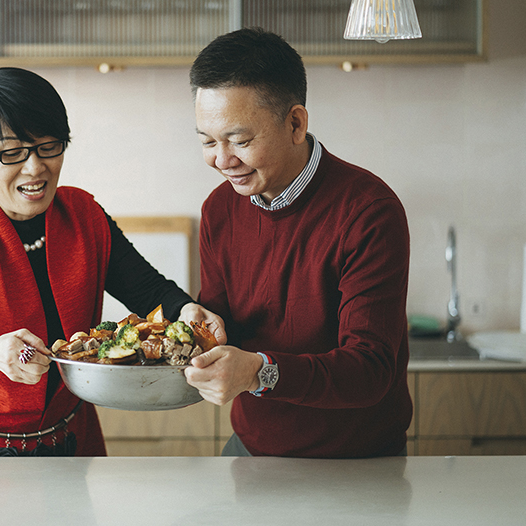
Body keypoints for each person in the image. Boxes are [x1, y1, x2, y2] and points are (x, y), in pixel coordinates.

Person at [0, 67, 217, 457]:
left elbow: (150, 291)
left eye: (49, 146)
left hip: (71, 442)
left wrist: (189, 311)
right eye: (11, 153)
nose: (35, 167)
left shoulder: (85, 217)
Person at [182, 28, 413, 458]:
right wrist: (200, 323)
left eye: (241, 140)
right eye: (208, 142)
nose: (223, 159)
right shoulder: (219, 209)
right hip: (251, 448)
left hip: (358, 461)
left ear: (295, 123)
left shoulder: (368, 210)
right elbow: (224, 323)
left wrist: (260, 372)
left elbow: (370, 369)